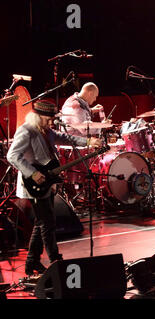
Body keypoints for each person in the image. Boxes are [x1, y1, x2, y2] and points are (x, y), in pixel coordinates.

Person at [6, 100, 102, 276]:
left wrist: (88, 141)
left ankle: (32, 263)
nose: (51, 122)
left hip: (46, 182)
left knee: (42, 223)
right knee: (47, 223)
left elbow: (66, 138)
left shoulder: (46, 131)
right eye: (48, 118)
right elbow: (12, 155)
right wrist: (33, 173)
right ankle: (55, 260)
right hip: (33, 183)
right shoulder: (26, 130)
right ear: (37, 116)